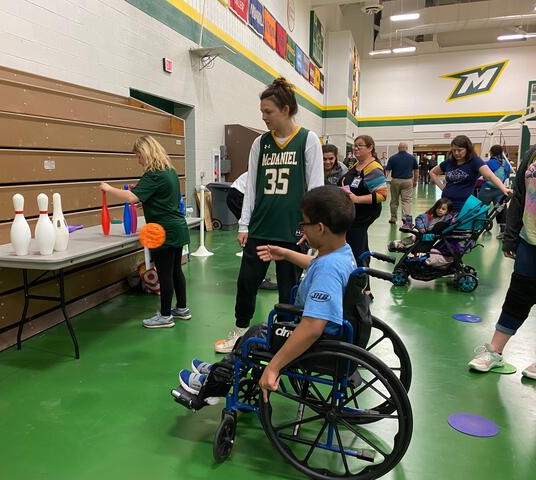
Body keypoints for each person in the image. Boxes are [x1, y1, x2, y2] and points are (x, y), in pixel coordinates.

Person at [177, 186, 357, 399]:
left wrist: (274, 367)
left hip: (318, 341)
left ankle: (215, 383)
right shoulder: (340, 254)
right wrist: (285, 253)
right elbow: (315, 264)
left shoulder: (328, 270)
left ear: (320, 228)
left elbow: (312, 328)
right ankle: (223, 367)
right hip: (337, 334)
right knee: (258, 332)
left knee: (256, 335)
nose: (302, 231)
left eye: (304, 224)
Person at [214, 77, 324, 354]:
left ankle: (284, 341)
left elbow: (317, 189)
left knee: (289, 290)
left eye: (268, 112)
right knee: (246, 284)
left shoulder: (308, 140)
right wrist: (244, 224)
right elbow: (250, 188)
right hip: (261, 229)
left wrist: (312, 231)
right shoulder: (260, 143)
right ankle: (239, 332)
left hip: (292, 232)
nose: (263, 117)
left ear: (286, 109)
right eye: (262, 111)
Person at [99, 135, 190, 329]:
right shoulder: (169, 171)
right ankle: (181, 309)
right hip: (177, 227)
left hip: (163, 231)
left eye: (138, 155)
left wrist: (108, 189)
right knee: (175, 271)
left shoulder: (153, 174)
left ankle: (165, 316)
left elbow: (131, 197)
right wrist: (147, 200)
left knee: (164, 273)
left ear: (146, 152)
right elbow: (161, 197)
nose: (138, 160)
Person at [468, 145, 536, 380]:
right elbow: (518, 197)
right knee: (518, 295)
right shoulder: (533, 153)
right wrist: (511, 236)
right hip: (530, 240)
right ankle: (495, 352)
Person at [340, 135, 388, 294]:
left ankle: (361, 287)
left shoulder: (373, 167)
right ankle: (363, 286)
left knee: (356, 250)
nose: (356, 148)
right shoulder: (357, 165)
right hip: (353, 213)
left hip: (362, 216)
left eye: (360, 146)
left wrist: (357, 199)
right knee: (361, 247)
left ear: (370, 148)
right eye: (354, 145)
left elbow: (382, 195)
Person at [429, 135, 511, 212]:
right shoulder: (449, 162)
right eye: (454, 150)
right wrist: (443, 188)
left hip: (464, 204)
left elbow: (490, 176)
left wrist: (504, 189)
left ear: (467, 149)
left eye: (460, 150)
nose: (456, 153)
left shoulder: (475, 161)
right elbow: (433, 172)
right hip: (446, 203)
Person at [227, 172, 277, 291]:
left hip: (237, 193)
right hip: (238, 195)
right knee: (256, 233)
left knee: (256, 232)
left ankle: (258, 275)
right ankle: (259, 278)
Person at [388, 198, 455, 251]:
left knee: (415, 238)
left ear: (447, 211)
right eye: (438, 208)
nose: (440, 210)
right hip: (424, 233)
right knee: (414, 237)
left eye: (443, 209)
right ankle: (400, 243)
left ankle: (400, 244)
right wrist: (420, 227)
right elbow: (419, 218)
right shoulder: (429, 215)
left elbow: (451, 220)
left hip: (430, 237)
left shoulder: (447, 219)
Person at [477, 145, 512, 239]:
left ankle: (476, 227)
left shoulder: (488, 163)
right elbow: (507, 177)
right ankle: (503, 230)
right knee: (501, 209)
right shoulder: (506, 165)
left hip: (487, 190)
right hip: (500, 190)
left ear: (491, 152)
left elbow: (481, 175)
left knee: (481, 207)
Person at [385, 142, 418, 226]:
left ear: (398, 148)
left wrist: (383, 180)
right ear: (406, 148)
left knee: (394, 200)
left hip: (395, 181)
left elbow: (387, 170)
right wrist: (415, 181)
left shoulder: (392, 158)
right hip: (408, 181)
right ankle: (405, 218)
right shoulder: (412, 158)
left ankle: (393, 218)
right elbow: (416, 170)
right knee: (406, 200)